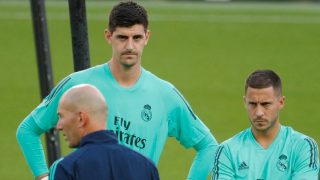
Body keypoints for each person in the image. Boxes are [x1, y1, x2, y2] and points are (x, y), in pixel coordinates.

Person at [16, 1, 218, 180]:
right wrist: (42, 176)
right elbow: (27, 130)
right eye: (122, 37)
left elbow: (208, 146)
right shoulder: (79, 85)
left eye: (136, 37)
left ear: (147, 37)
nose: (130, 46)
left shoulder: (165, 95)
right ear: (108, 36)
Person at [211, 70, 319, 180]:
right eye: (252, 104)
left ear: (281, 102)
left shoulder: (303, 146)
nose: (259, 113)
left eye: (265, 104)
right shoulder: (227, 150)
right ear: (245, 102)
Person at [48, 84, 159, 180]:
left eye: (61, 117)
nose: (59, 126)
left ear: (81, 118)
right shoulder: (146, 166)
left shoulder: (67, 168)